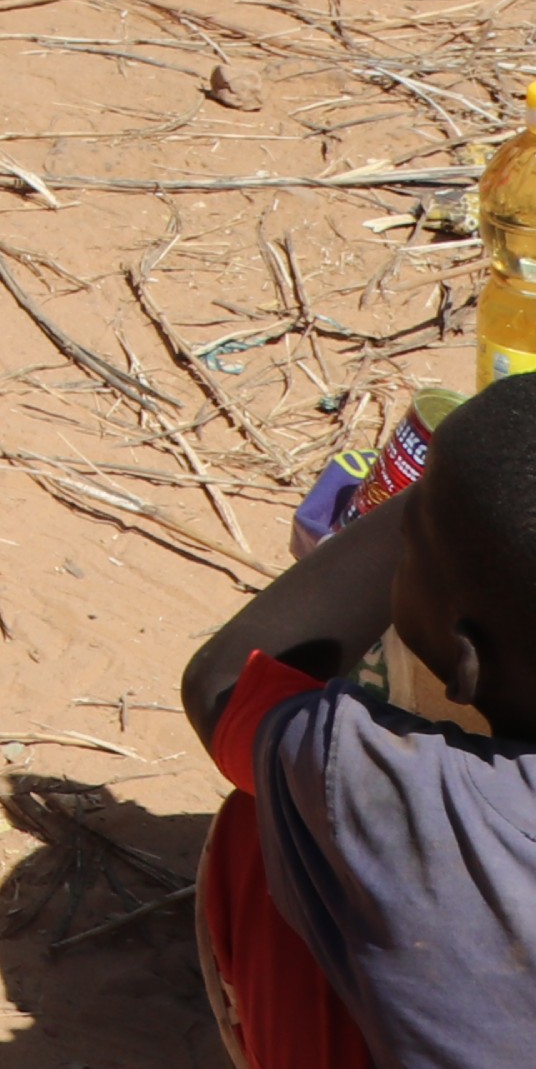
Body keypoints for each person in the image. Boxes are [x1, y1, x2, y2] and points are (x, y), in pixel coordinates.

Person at [179, 362, 536, 1069]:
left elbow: (222, 682)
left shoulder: (395, 795)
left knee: (266, 816)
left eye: (410, 551)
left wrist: (447, 493)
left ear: (467, 660)